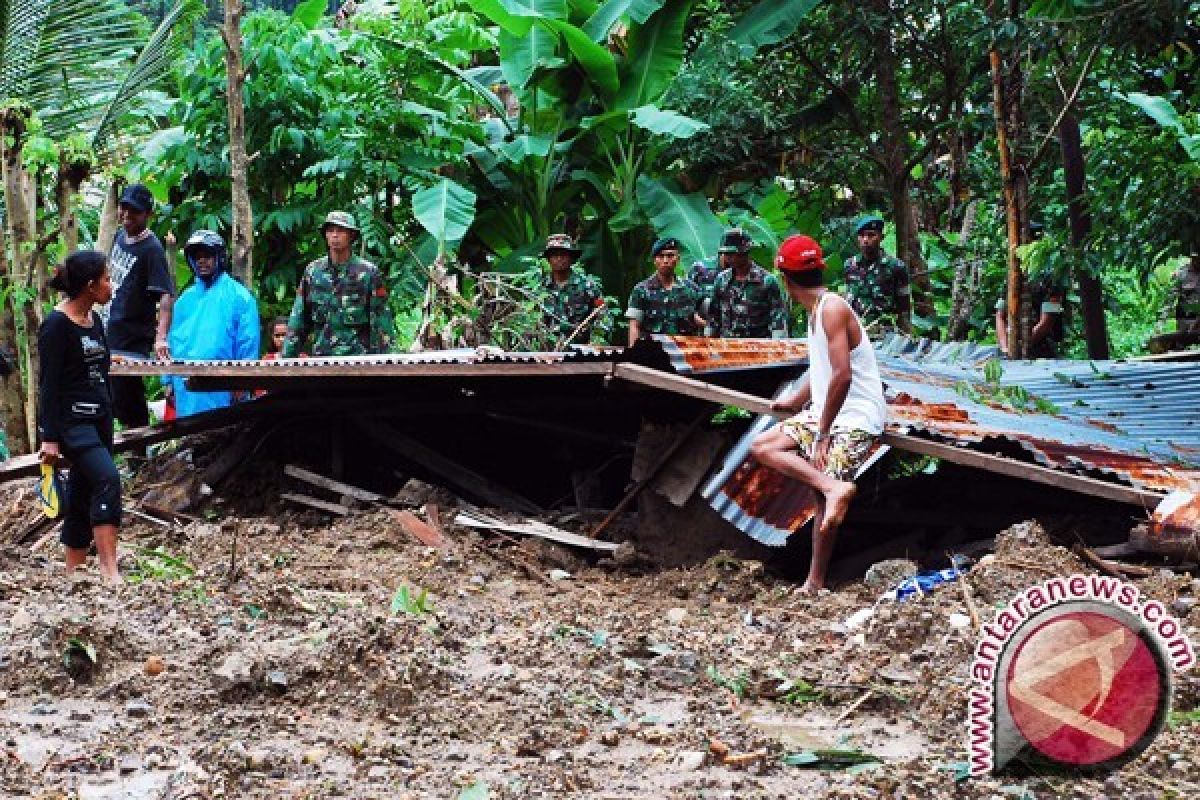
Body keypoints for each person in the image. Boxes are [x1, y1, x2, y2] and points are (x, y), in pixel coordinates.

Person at [750, 235, 886, 593]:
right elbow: (822, 370)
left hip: (855, 414)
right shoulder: (816, 312)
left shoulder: (832, 307)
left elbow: (842, 375)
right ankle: (833, 489)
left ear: (785, 279)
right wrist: (796, 401)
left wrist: (823, 433)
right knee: (764, 447)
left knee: (823, 488)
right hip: (827, 411)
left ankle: (815, 581)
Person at [37, 251, 122, 584]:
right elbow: (49, 384)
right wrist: (50, 437)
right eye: (106, 279)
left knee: (83, 491)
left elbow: (97, 368)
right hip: (73, 425)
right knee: (107, 479)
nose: (110, 286)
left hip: (100, 420)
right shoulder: (56, 325)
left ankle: (73, 572)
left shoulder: (95, 321)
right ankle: (108, 570)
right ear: (90, 286)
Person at [163, 231, 260, 418]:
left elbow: (248, 343)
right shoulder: (185, 300)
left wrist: (242, 382)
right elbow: (171, 342)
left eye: (207, 256)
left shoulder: (239, 297)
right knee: (191, 440)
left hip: (224, 388)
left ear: (219, 257)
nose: (201, 262)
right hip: (186, 389)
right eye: (197, 257)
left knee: (224, 439)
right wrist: (167, 380)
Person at [103, 183, 175, 428]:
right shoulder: (118, 237)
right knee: (108, 400)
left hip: (131, 340)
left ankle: (139, 458)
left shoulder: (152, 249)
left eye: (134, 211)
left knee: (128, 400)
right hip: (109, 332)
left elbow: (165, 295)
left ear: (148, 215)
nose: (127, 216)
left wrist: (161, 337)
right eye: (124, 208)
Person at [282, 211, 393, 357]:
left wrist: (384, 364)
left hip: (358, 361)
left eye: (340, 231)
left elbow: (381, 323)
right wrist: (286, 360)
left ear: (351, 236)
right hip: (322, 360)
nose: (335, 235)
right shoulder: (313, 272)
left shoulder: (368, 273)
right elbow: (298, 319)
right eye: (330, 231)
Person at [705, 227, 789, 338]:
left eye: (731, 253)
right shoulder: (721, 280)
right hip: (726, 347)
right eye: (725, 254)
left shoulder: (766, 281)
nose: (727, 258)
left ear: (744, 252)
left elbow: (778, 321)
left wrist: (777, 347)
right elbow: (713, 319)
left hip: (757, 348)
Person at [625, 238, 705, 345]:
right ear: (654, 260)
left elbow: (707, 319)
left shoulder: (691, 289)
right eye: (661, 256)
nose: (666, 260)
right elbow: (634, 326)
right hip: (653, 352)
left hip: (685, 354)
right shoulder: (641, 290)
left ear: (678, 258)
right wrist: (634, 354)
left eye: (670, 255)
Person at [843, 214, 911, 336]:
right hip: (857, 333)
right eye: (862, 235)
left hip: (885, 333)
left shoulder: (896, 266)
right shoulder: (850, 265)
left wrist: (905, 336)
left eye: (871, 235)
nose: (865, 240)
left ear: (881, 237)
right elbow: (848, 299)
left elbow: (904, 307)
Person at [538, 234, 609, 345]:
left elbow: (604, 316)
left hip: (580, 351)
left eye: (563, 255)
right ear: (548, 259)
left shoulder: (587, 286)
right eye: (554, 255)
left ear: (571, 258)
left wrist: (594, 340)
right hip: (548, 351)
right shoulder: (540, 289)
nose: (559, 259)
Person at [994, 274, 1065, 358]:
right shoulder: (1012, 277)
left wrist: (1022, 346)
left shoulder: (1050, 279)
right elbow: (1000, 315)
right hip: (1013, 345)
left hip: (1043, 349)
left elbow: (1046, 323)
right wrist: (1005, 348)